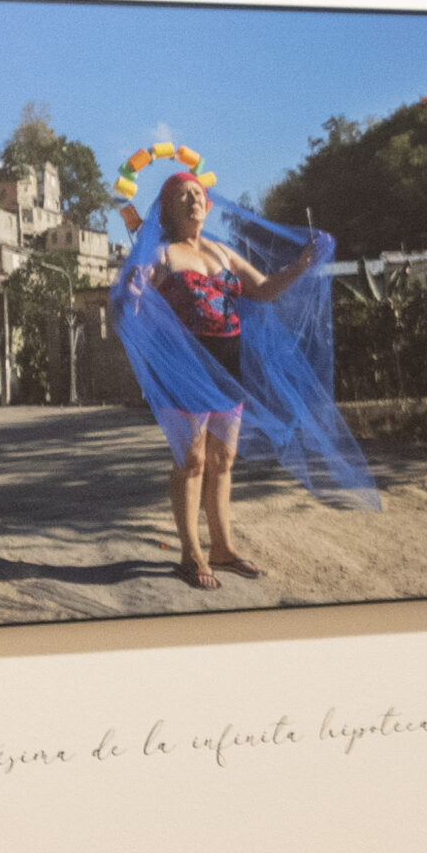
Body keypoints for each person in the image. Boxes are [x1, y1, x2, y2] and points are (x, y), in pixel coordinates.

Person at [112, 168, 382, 589]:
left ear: (207, 203)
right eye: (182, 195)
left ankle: (222, 547)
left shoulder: (222, 253)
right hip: (186, 369)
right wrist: (132, 288)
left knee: (222, 460)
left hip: (227, 368)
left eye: (197, 193)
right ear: (166, 209)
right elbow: (137, 284)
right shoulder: (161, 254)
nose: (193, 200)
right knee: (191, 460)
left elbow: (264, 289)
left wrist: (301, 265)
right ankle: (191, 553)